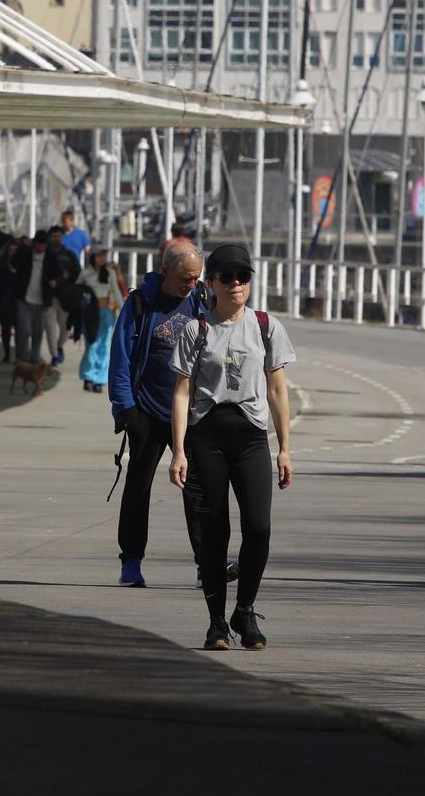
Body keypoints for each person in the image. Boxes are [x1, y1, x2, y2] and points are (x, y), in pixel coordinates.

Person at [169, 242, 294, 650]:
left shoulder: (265, 326)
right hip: (207, 438)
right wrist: (179, 450)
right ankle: (217, 623)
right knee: (214, 533)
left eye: (244, 277)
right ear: (212, 284)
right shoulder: (196, 329)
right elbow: (182, 393)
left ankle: (245, 610)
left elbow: (277, 390)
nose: (237, 284)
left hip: (251, 437)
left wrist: (285, 448)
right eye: (228, 277)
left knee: (258, 528)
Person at [108, 239, 207, 588]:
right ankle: (131, 561)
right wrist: (126, 410)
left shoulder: (202, 301)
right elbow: (120, 359)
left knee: (197, 491)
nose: (190, 284)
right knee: (138, 488)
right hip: (147, 412)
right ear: (165, 270)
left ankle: (205, 564)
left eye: (196, 277)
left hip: (191, 414)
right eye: (184, 278)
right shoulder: (140, 303)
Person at [76, 246, 125, 392]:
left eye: (104, 255)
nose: (102, 257)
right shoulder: (85, 274)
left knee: (104, 345)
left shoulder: (109, 273)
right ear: (93, 257)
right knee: (91, 343)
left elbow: (116, 292)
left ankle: (99, 379)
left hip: (106, 311)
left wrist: (124, 311)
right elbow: (77, 290)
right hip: (90, 311)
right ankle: (88, 376)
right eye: (99, 255)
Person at [7, 230, 54, 366]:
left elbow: (58, 274)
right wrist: (22, 248)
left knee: (38, 331)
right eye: (38, 244)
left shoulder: (51, 257)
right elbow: (13, 263)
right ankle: (22, 357)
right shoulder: (25, 252)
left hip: (42, 300)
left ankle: (34, 355)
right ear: (34, 243)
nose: (41, 248)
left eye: (43, 245)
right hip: (24, 298)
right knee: (24, 329)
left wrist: (55, 281)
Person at [41, 226, 81, 363]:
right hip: (49, 297)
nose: (57, 239)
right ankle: (54, 356)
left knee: (66, 328)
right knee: (50, 329)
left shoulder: (69, 255)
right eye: (54, 236)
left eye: (59, 236)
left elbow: (77, 273)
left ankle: (59, 347)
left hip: (65, 297)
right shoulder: (44, 254)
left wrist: (68, 277)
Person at [0, 235, 23, 363]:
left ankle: (18, 355)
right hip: (4, 297)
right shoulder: (2, 263)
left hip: (18, 297)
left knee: (19, 327)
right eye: (11, 250)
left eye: (15, 250)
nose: (13, 252)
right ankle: (7, 353)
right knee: (6, 327)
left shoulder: (22, 264)